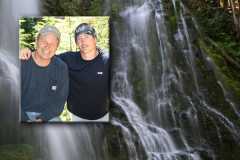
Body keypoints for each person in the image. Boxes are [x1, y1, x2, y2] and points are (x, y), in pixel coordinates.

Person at [20, 23, 109, 122]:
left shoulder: (107, 60)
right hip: (76, 116)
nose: (83, 41)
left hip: (104, 116)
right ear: (76, 43)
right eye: (79, 38)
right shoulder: (68, 59)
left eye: (87, 36)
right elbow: (45, 54)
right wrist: (25, 50)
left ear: (95, 39)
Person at [21, 25, 69, 122]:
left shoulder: (61, 67)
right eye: (44, 41)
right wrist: (25, 120)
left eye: (52, 44)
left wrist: (42, 119)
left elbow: (59, 101)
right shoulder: (22, 62)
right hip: (21, 114)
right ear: (36, 41)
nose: (47, 46)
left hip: (47, 117)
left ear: (57, 47)